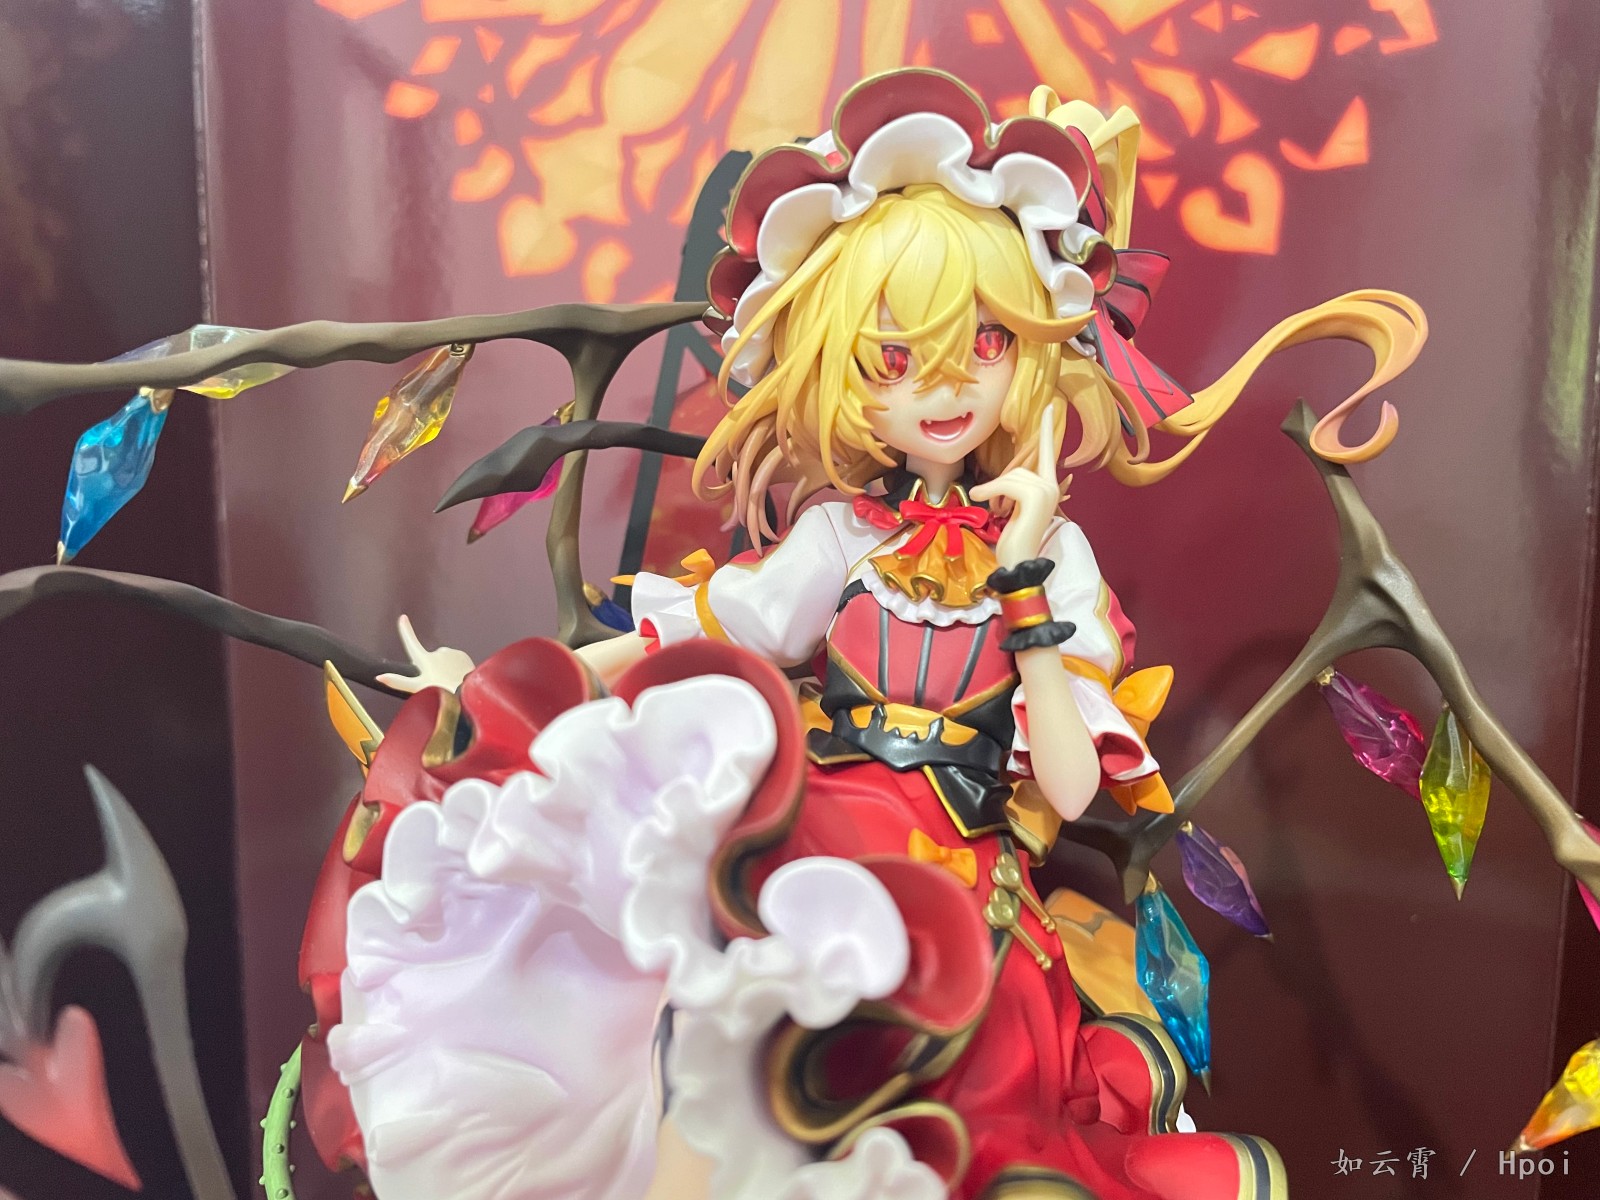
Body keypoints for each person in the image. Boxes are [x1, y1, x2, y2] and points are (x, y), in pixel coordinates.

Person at [325, 68, 1424, 1200]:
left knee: (959, 1114)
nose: (945, 389)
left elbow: (1067, 783)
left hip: (971, 875)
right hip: (819, 834)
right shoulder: (839, 536)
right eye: (894, 358)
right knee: (704, 1049)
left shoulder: (1056, 559)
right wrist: (496, 688)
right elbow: (705, 633)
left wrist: (1025, 582)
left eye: (986, 343)